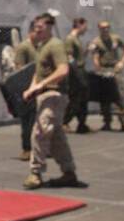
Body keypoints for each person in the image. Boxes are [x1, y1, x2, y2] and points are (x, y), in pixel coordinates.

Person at [21, 14, 81, 190]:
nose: (36, 29)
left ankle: (36, 173)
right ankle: (69, 173)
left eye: (40, 26)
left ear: (49, 26)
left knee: (39, 133)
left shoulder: (55, 45)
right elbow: (38, 72)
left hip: (54, 95)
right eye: (35, 26)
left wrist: (40, 85)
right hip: (45, 95)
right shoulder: (42, 46)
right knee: (56, 138)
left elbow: (63, 70)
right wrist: (31, 88)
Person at [88, 21, 124, 131]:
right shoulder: (96, 41)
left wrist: (122, 62)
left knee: (118, 95)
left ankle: (123, 122)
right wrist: (97, 67)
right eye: (103, 28)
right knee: (104, 96)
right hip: (103, 69)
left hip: (115, 69)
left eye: (107, 27)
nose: (105, 29)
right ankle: (107, 122)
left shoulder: (116, 38)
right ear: (99, 29)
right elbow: (95, 55)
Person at [11, 23, 39, 160]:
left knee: (38, 120)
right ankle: (26, 149)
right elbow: (20, 69)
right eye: (37, 32)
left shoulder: (38, 46)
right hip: (27, 89)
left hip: (38, 88)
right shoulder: (24, 47)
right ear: (30, 32)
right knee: (27, 121)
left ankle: (40, 148)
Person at [62, 17, 91, 134]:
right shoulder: (70, 39)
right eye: (85, 26)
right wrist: (76, 74)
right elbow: (69, 57)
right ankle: (64, 121)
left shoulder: (77, 39)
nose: (86, 29)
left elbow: (79, 57)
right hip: (76, 72)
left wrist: (87, 50)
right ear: (79, 25)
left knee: (83, 98)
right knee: (76, 98)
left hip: (80, 69)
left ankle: (82, 124)